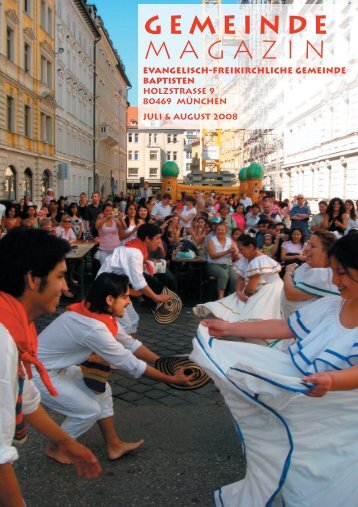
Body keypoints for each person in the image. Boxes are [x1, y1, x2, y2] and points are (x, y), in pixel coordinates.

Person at [192, 234, 358, 506]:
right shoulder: (332, 306)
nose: (336, 280)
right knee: (291, 466)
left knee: (325, 477)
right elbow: (286, 327)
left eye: (343, 273)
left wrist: (332, 379)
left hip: (336, 418)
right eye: (334, 272)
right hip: (306, 404)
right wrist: (231, 328)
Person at [34, 273, 193, 464]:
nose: (128, 301)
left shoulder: (95, 311)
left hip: (53, 368)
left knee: (102, 391)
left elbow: (131, 344)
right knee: (88, 410)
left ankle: (114, 445)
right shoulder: (93, 328)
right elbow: (131, 364)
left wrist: (164, 363)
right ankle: (56, 448)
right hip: (35, 374)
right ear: (109, 299)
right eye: (125, 296)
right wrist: (173, 380)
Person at [0, 229, 101, 506]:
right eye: (59, 276)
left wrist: (67, 442)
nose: (65, 286)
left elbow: (27, 397)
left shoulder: (18, 327)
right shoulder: (4, 340)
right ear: (33, 279)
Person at [193, 235, 282, 332]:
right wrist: (239, 291)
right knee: (235, 301)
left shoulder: (259, 261)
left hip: (270, 290)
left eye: (241, 249)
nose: (239, 252)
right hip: (256, 288)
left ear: (250, 247)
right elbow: (241, 278)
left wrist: (243, 295)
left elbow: (250, 289)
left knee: (252, 310)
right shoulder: (245, 259)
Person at [98, 224, 171, 331]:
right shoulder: (135, 253)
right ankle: (121, 346)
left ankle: (129, 347)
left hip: (115, 287)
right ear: (147, 238)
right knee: (126, 326)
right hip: (108, 289)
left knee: (133, 321)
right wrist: (155, 297)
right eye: (157, 238)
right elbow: (139, 283)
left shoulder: (134, 248)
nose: (159, 242)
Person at [281, 230, 339, 317]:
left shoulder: (325, 274)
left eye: (313, 246)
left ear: (327, 253)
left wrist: (288, 273)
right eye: (308, 244)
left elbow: (291, 294)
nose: (307, 248)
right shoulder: (306, 266)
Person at [204, 222, 238, 300]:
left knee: (234, 277)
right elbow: (212, 255)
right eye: (218, 230)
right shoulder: (211, 240)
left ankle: (232, 297)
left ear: (225, 231)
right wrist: (226, 252)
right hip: (213, 265)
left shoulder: (230, 240)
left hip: (227, 265)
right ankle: (221, 298)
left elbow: (234, 257)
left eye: (222, 230)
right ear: (215, 231)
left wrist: (234, 253)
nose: (220, 231)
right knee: (223, 275)